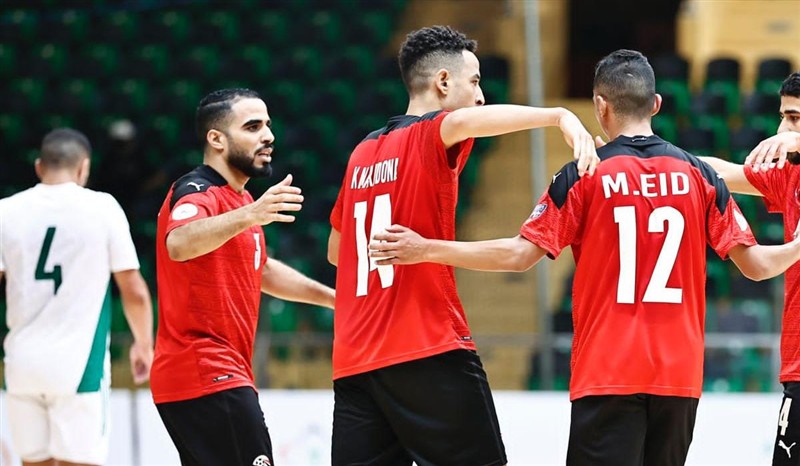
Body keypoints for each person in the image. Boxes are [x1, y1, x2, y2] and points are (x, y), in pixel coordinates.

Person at [368, 50, 800, 466]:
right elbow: (759, 266)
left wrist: (426, 248)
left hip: (607, 373)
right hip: (679, 380)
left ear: (599, 106)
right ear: (656, 104)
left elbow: (519, 256)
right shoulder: (698, 174)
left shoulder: (586, 173)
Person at [326, 25, 598, 466]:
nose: (481, 96)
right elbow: (467, 121)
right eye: (474, 82)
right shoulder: (431, 132)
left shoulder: (361, 153)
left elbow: (337, 252)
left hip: (355, 361)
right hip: (425, 346)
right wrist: (559, 116)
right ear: (443, 82)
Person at [150, 88, 335, 466]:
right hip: (205, 370)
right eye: (253, 127)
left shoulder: (242, 200)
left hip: (213, 375)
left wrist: (335, 299)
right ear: (216, 139)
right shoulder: (196, 190)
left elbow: (261, 268)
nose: (268, 136)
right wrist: (250, 216)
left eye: (268, 125)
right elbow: (179, 243)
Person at [0, 128, 154, 466]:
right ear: (84, 168)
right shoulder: (102, 207)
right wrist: (144, 345)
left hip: (21, 364)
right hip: (78, 366)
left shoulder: (5, 211)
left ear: (39, 166)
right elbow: (134, 290)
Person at [698, 72, 800, 466]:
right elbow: (722, 172)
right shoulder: (791, 174)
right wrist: (646, 157)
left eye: (794, 118)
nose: (783, 129)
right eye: (783, 117)